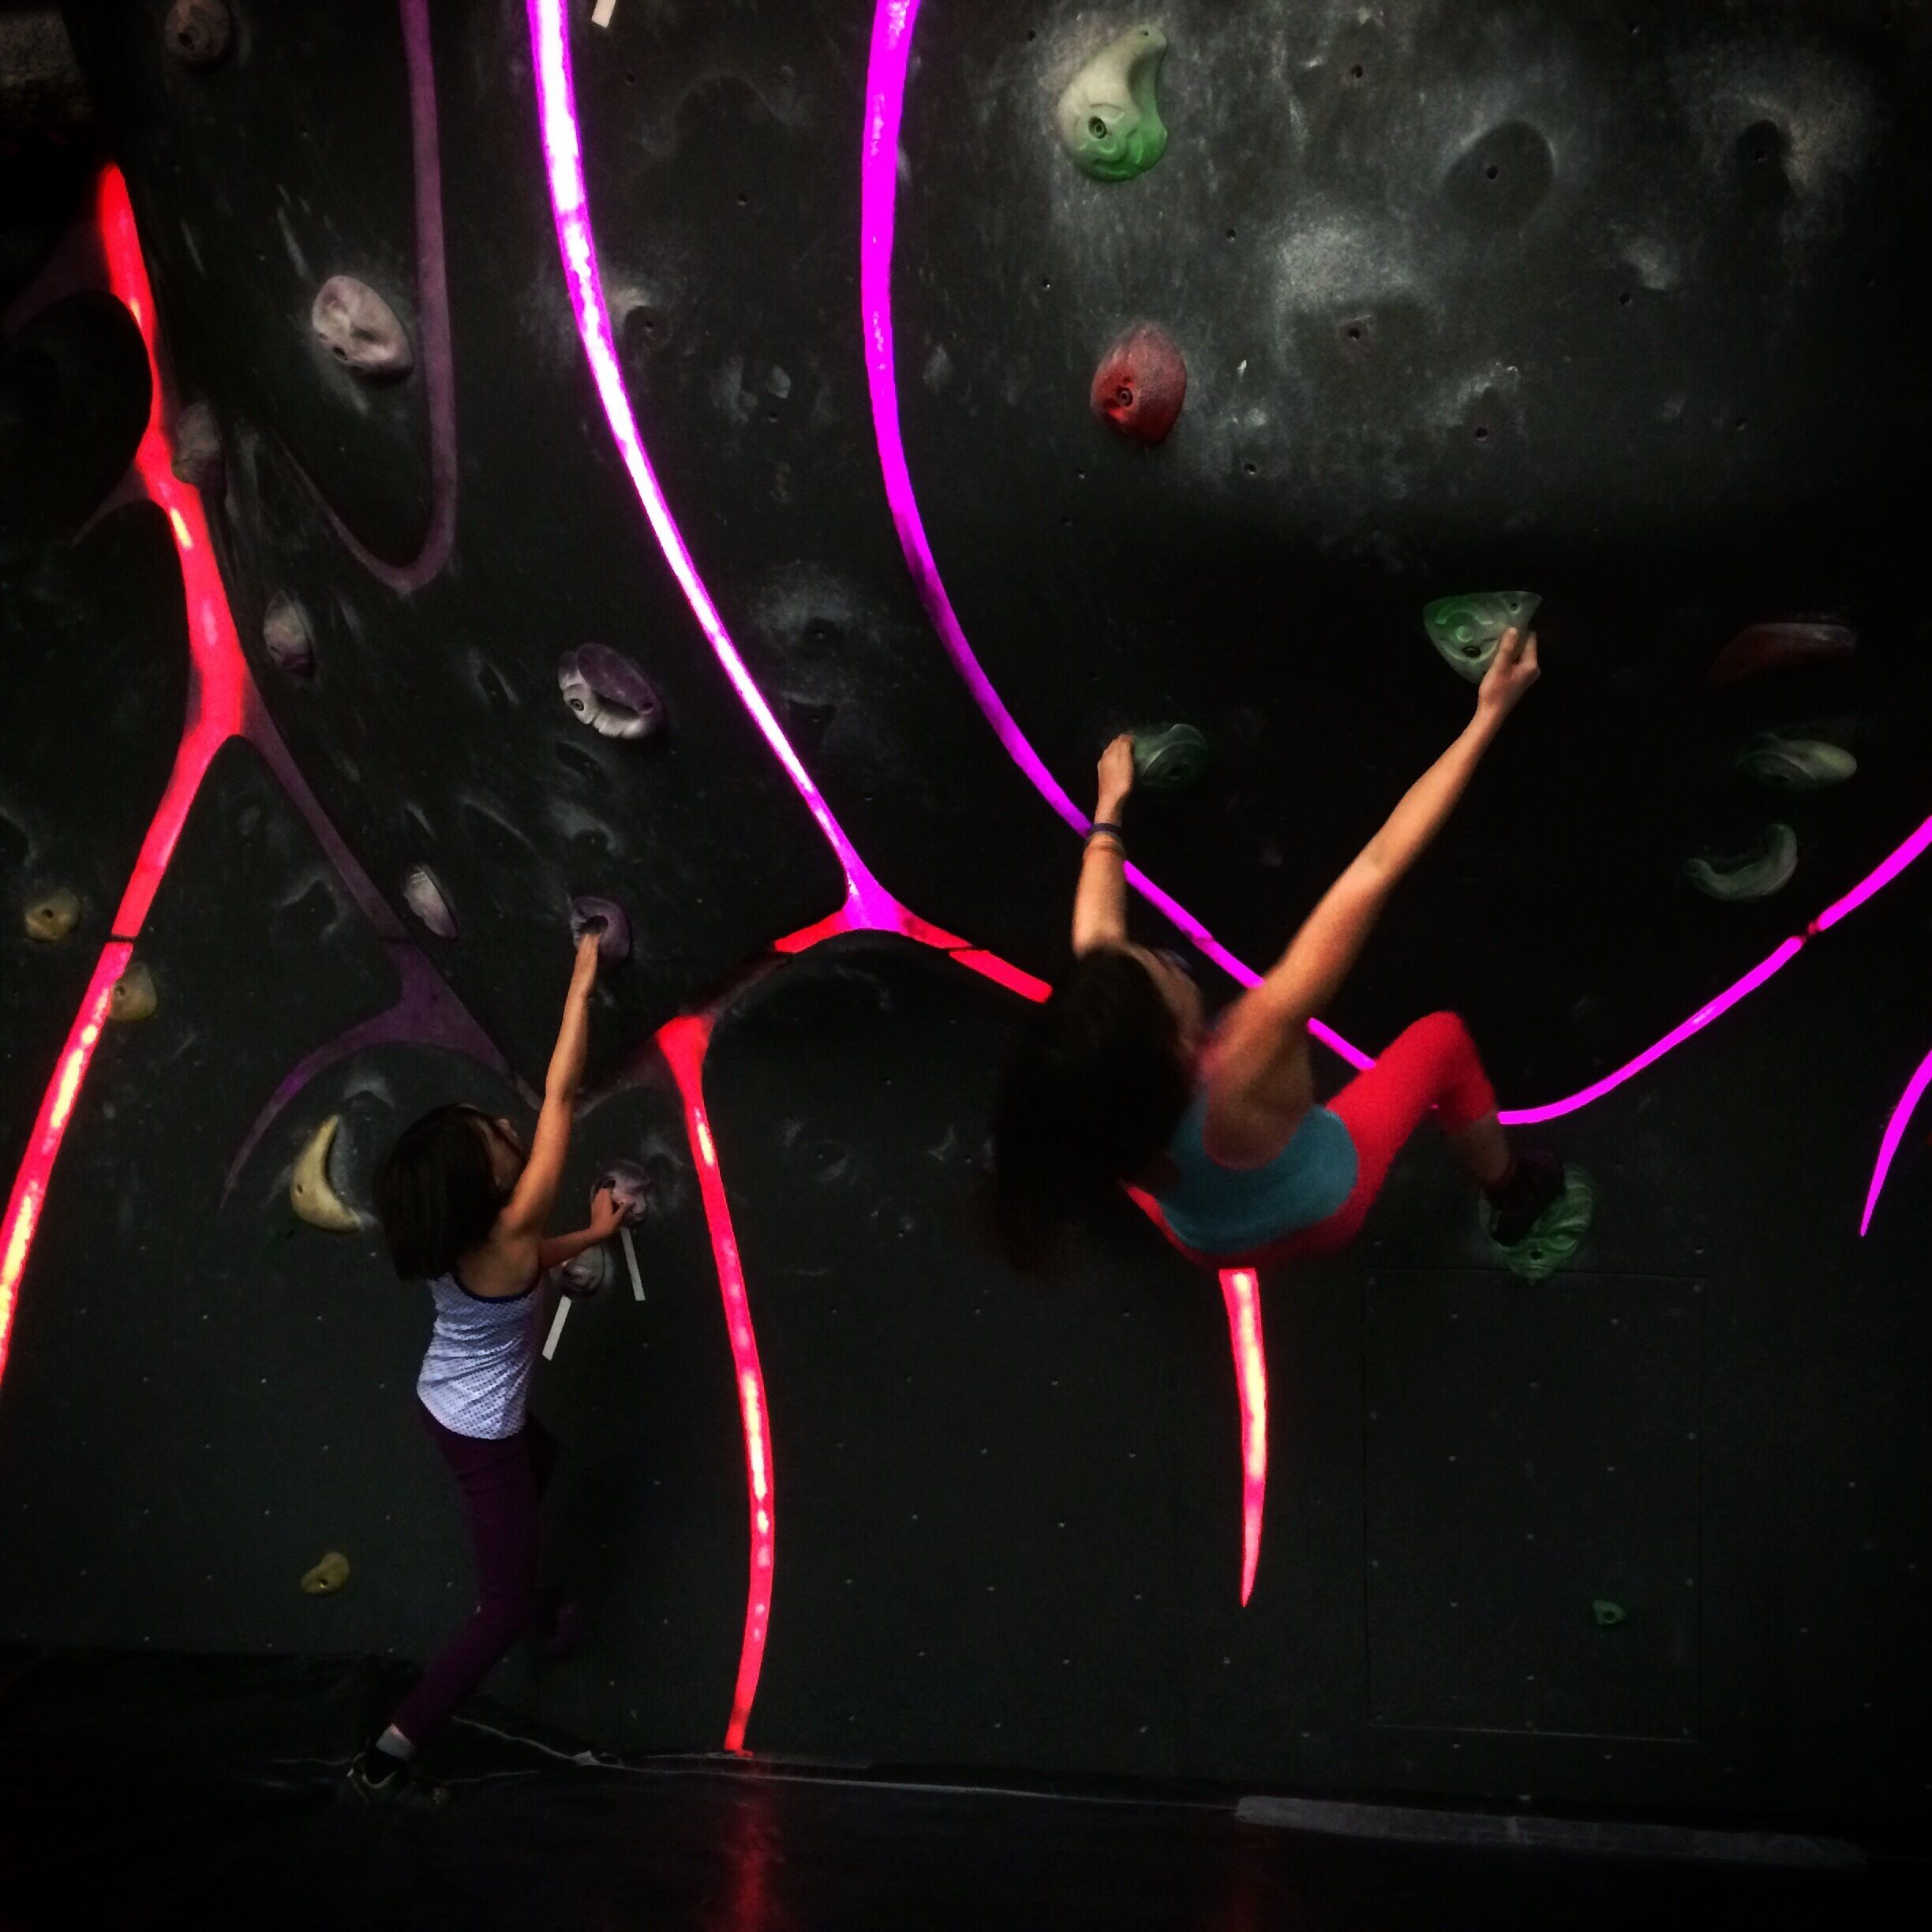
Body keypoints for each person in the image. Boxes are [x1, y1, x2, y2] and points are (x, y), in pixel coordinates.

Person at [993, 627, 1592, 1275]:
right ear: (1179, 1049)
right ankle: (1513, 1198)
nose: (1166, 960)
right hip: (1329, 1208)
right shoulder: (1254, 1043)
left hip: (1208, 1242)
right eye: (1166, 972)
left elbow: (1099, 942)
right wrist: (1489, 715)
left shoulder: (1106, 1112)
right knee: (1443, 1040)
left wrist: (1109, 811)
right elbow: (1378, 865)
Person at [347, 930, 632, 1806]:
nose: (509, 1130)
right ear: (488, 1192)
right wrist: (583, 974)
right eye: (495, 1141)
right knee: (497, 1610)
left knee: (543, 1465)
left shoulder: (453, 1234)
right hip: (479, 1433)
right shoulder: (505, 1236)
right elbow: (559, 1094)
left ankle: (525, 1578)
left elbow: (532, 1257)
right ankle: (385, 1761)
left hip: (445, 1402)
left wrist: (592, 1233)